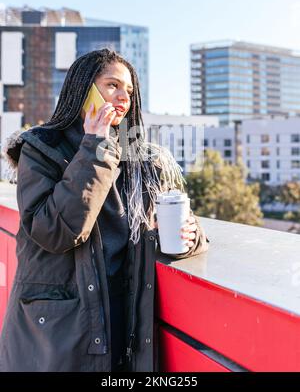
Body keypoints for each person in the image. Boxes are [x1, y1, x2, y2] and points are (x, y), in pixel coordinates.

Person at [0, 48, 209, 372]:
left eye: (128, 89)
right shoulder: (42, 148)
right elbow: (54, 230)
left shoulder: (144, 161)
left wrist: (191, 235)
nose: (123, 96)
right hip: (60, 327)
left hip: (123, 318)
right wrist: (95, 145)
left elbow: (175, 217)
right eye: (112, 85)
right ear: (84, 89)